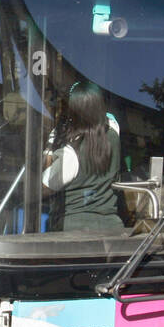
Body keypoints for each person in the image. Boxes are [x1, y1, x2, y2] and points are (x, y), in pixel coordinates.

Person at [41, 82, 123, 232]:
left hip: (74, 234)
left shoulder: (70, 152)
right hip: (112, 228)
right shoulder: (114, 134)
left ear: (73, 113)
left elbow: (45, 187)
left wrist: (51, 147)